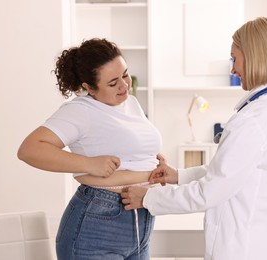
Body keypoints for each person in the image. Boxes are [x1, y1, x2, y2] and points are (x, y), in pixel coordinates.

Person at [121, 17, 267, 260]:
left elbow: (212, 191)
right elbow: (237, 171)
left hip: (245, 249)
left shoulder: (254, 119)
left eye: (234, 58)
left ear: (255, 56)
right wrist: (180, 175)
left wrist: (148, 198)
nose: (232, 69)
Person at [17, 38, 163, 260]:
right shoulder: (80, 111)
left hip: (140, 221)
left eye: (125, 74)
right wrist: (89, 164)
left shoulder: (131, 103)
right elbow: (29, 149)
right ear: (89, 88)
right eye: (113, 83)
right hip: (97, 227)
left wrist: (157, 164)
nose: (124, 85)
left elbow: (132, 150)